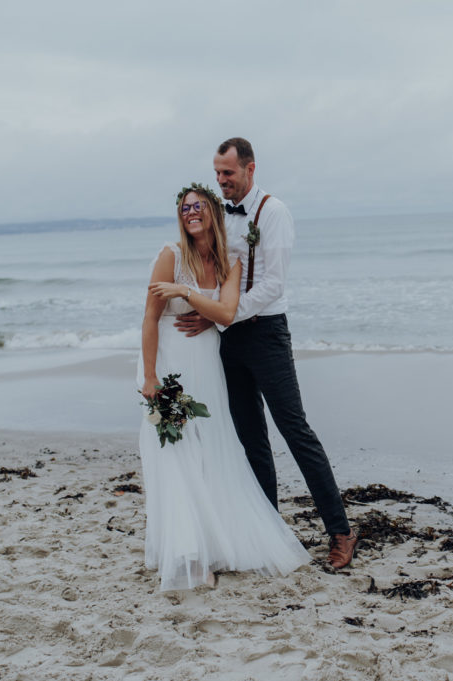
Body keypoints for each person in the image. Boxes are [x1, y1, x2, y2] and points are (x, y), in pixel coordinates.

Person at [176, 137, 358, 570]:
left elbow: (273, 285)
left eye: (229, 174)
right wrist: (212, 315)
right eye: (217, 173)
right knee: (250, 441)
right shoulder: (219, 215)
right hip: (229, 339)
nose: (221, 182)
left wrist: (223, 315)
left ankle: (341, 532)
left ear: (250, 169)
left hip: (266, 335)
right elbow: (217, 273)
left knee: (295, 431)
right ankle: (268, 533)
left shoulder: (273, 213)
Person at [137, 182, 310, 592]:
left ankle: (212, 543)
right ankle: (188, 556)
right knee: (177, 453)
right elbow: (149, 318)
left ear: (213, 211)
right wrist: (149, 378)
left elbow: (227, 311)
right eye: (184, 208)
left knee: (211, 452)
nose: (191, 212)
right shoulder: (170, 255)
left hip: (207, 367)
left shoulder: (229, 262)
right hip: (170, 365)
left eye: (198, 206)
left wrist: (187, 292)